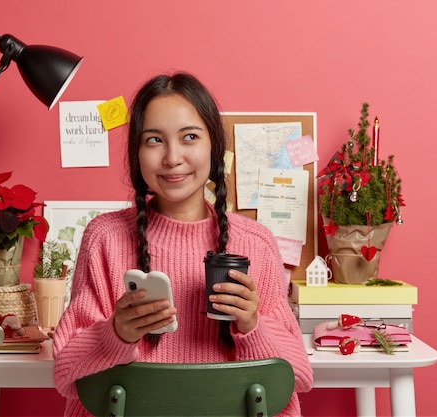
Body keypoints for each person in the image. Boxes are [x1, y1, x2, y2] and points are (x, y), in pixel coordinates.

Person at [53, 72, 313, 416]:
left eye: (189, 136)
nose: (172, 157)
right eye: (154, 140)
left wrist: (252, 327)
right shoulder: (105, 239)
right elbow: (64, 374)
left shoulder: (256, 243)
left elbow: (300, 378)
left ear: (213, 146)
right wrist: (116, 333)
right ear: (137, 153)